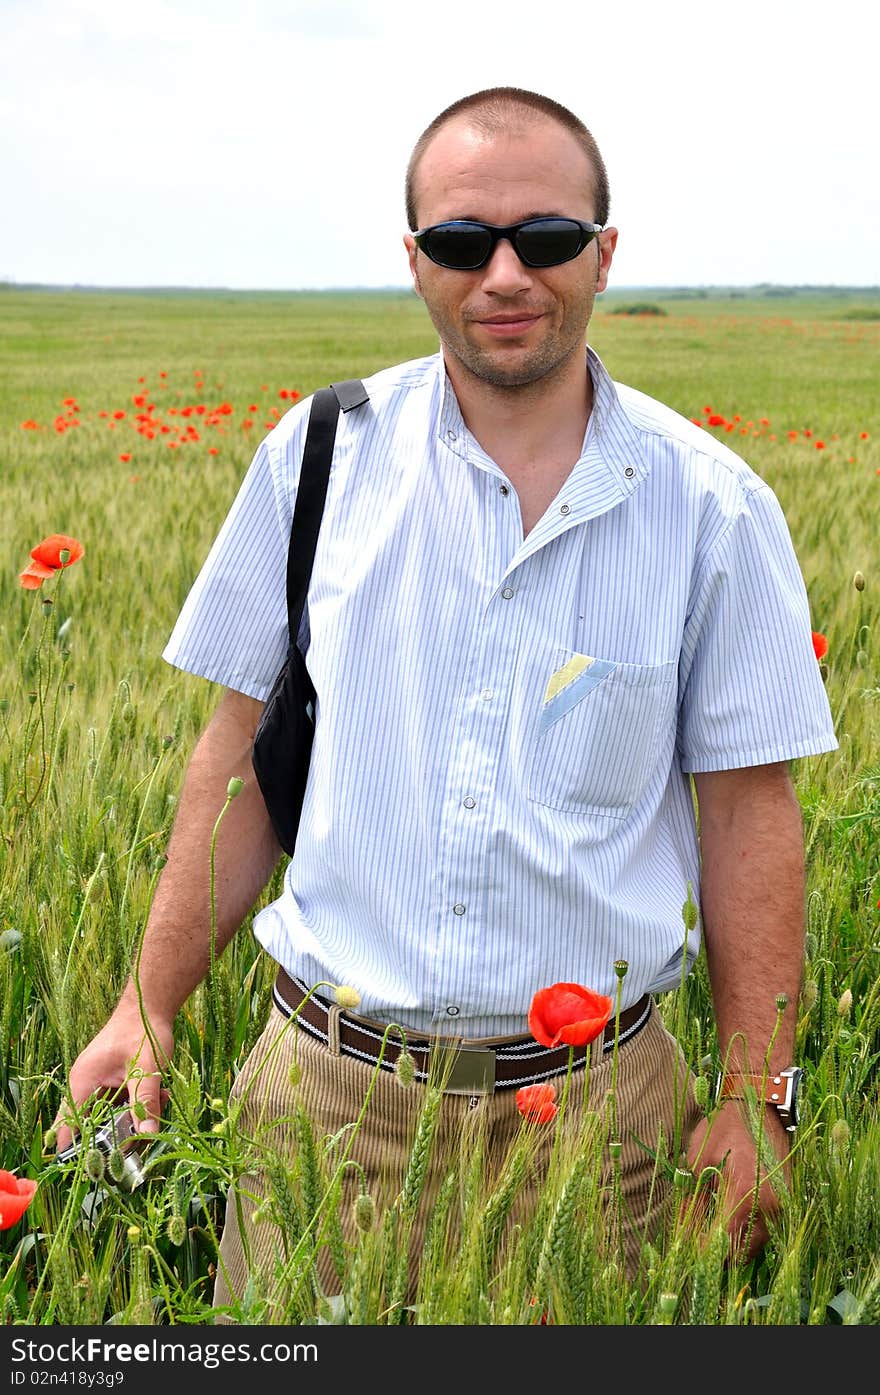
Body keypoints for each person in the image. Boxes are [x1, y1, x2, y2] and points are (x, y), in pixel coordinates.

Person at [57, 86, 837, 1317]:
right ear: (415, 260)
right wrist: (145, 1010)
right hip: (322, 1105)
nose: (507, 273)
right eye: (466, 242)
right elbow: (245, 759)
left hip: (602, 1124)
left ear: (606, 253)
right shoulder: (314, 460)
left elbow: (749, 813)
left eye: (550, 238)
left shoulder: (711, 506)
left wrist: (754, 1097)